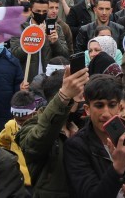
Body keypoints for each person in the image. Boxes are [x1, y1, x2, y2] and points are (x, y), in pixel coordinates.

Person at [63, 74, 125, 197]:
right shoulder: (76, 146)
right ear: (87, 109)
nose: (106, 113)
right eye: (99, 106)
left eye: (112, 105)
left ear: (119, 107)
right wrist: (118, 168)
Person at [16, 66, 89, 197]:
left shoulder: (82, 126)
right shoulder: (31, 126)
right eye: (79, 93)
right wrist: (64, 97)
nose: (83, 99)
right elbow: (36, 142)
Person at [0, 91, 42, 188]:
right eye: (15, 118)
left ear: (33, 114)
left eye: (22, 120)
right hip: (16, 179)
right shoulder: (10, 125)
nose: (18, 123)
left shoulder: (41, 128)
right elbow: (2, 144)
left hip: (35, 180)